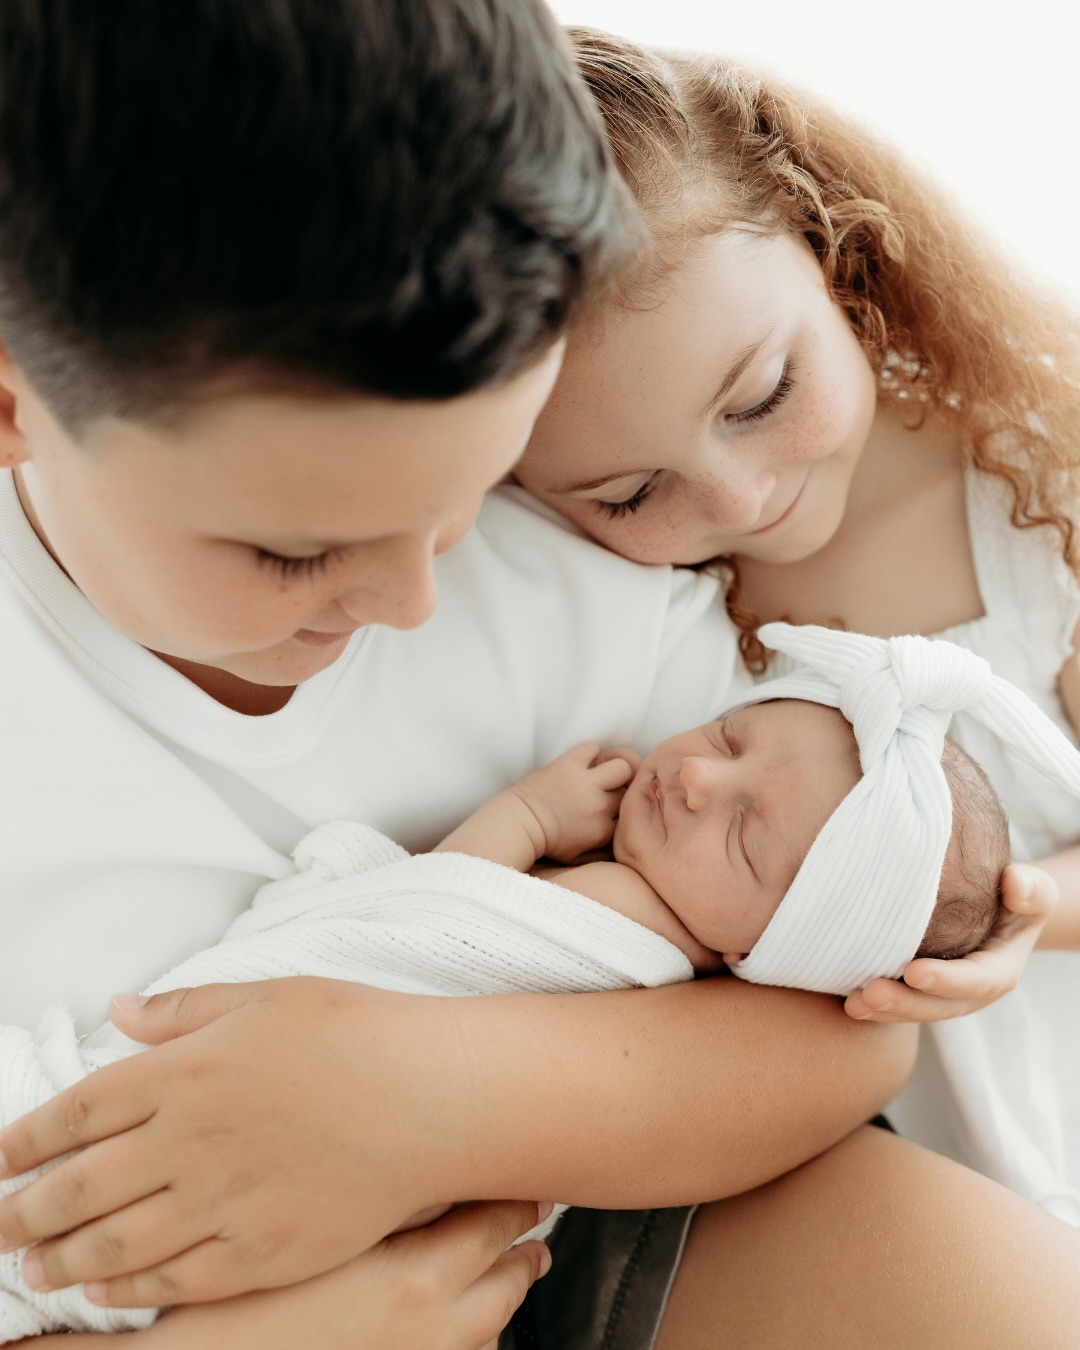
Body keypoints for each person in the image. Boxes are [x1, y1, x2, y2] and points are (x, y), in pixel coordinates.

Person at [0, 7, 1075, 1349]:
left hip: (566, 1196)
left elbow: (847, 1033)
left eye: (466, 500)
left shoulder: (586, 587)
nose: (412, 601)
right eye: (297, 550)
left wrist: (426, 1098)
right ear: (15, 403)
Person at [9, 621, 1077, 1342]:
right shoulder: (627, 874)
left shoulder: (650, 944)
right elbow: (439, 909)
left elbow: (460, 915)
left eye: (749, 837)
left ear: (775, 948)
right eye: (728, 738)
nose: (699, 777)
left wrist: (417, 1096)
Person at [515, 24, 1080, 1231]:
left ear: (827, 239)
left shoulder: (1040, 504)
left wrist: (1021, 918)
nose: (740, 504)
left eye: (762, 397)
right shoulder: (635, 604)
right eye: (627, 493)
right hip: (801, 1162)